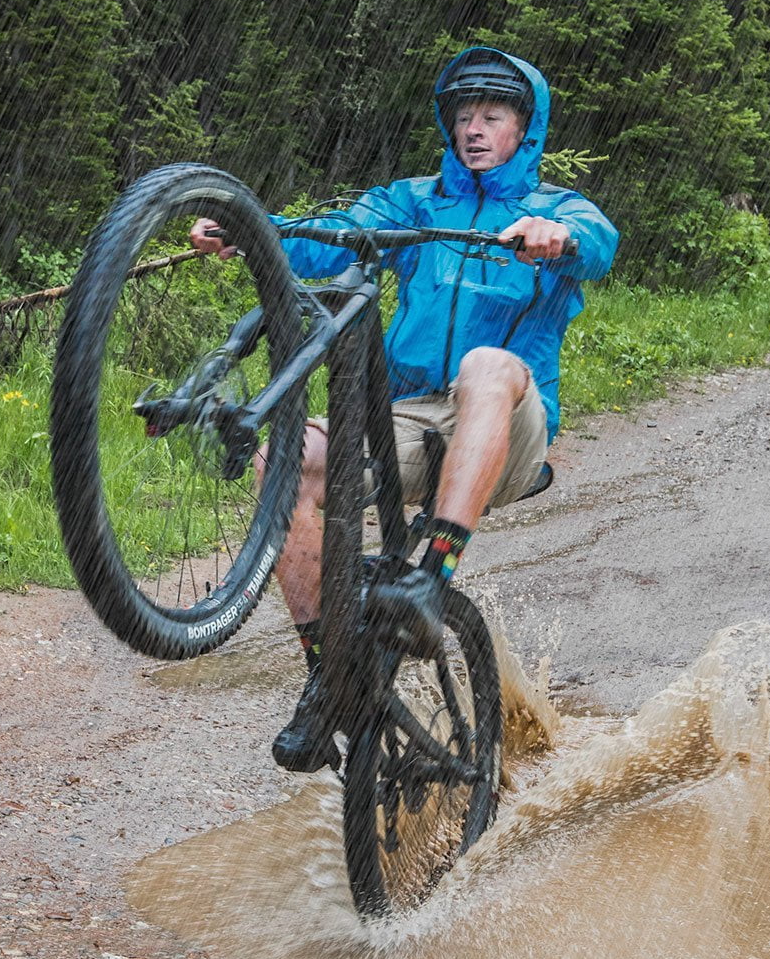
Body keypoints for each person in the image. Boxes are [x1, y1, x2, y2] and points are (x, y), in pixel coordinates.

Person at [190, 47, 619, 772]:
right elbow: (329, 237)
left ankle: (433, 575)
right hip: (416, 417)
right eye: (464, 117)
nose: (475, 130)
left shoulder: (554, 210)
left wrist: (557, 240)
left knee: (485, 365)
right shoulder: (417, 201)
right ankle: (329, 674)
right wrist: (249, 230)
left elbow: (598, 245)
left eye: (493, 117)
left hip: (509, 422)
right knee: (284, 460)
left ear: (526, 129)